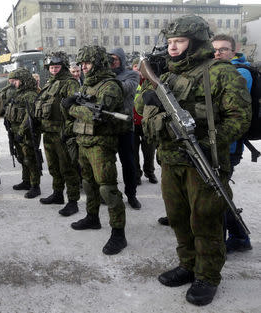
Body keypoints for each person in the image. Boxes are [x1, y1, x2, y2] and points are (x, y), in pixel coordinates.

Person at [136, 15, 251, 306]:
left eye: (180, 41)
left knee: (206, 220)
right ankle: (187, 265)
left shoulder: (220, 72)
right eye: (170, 42)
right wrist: (147, 90)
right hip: (171, 161)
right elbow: (139, 107)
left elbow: (240, 118)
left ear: (196, 41)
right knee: (177, 217)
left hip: (205, 161)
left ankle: (208, 276)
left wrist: (206, 140)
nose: (172, 47)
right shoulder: (167, 73)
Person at [64, 45, 127, 255]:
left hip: (101, 144)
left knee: (107, 188)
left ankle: (118, 233)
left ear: (98, 63)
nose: (83, 67)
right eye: (81, 64)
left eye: (87, 63)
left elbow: (96, 115)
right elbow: (84, 110)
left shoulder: (110, 86)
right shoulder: (87, 85)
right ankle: (92, 217)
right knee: (88, 184)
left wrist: (71, 108)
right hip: (83, 141)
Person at [211, 33, 253, 253]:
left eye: (223, 49)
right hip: (216, 143)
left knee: (219, 194)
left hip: (229, 146)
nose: (218, 54)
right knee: (216, 192)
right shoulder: (214, 70)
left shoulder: (241, 73)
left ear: (234, 51)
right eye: (215, 50)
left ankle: (237, 237)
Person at [35, 51, 81, 216]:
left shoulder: (70, 83)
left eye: (56, 67)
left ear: (63, 67)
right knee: (53, 166)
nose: (53, 70)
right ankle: (57, 194)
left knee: (68, 168)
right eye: (51, 67)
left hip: (62, 132)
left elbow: (75, 109)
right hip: (48, 132)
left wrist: (69, 131)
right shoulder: (49, 83)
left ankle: (73, 201)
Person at [109, 48, 142, 209]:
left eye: (115, 59)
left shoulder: (132, 74)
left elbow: (125, 89)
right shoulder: (106, 75)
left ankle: (131, 194)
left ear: (122, 60)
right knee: (107, 163)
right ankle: (108, 193)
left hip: (124, 126)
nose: (112, 62)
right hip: (107, 126)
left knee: (128, 162)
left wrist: (105, 79)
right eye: (110, 59)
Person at [4, 68, 42, 199]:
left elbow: (29, 116)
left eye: (15, 81)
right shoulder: (17, 93)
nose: (13, 83)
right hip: (16, 131)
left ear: (23, 80)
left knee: (30, 159)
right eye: (11, 81)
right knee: (21, 157)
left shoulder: (30, 94)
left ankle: (35, 186)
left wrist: (21, 131)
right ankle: (26, 181)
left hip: (27, 133)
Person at [132, 59, 158, 186]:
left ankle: (150, 172)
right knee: (134, 151)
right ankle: (137, 174)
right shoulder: (130, 82)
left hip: (147, 122)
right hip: (132, 123)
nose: (139, 72)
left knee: (149, 150)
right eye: (136, 69)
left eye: (141, 69)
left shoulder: (151, 81)